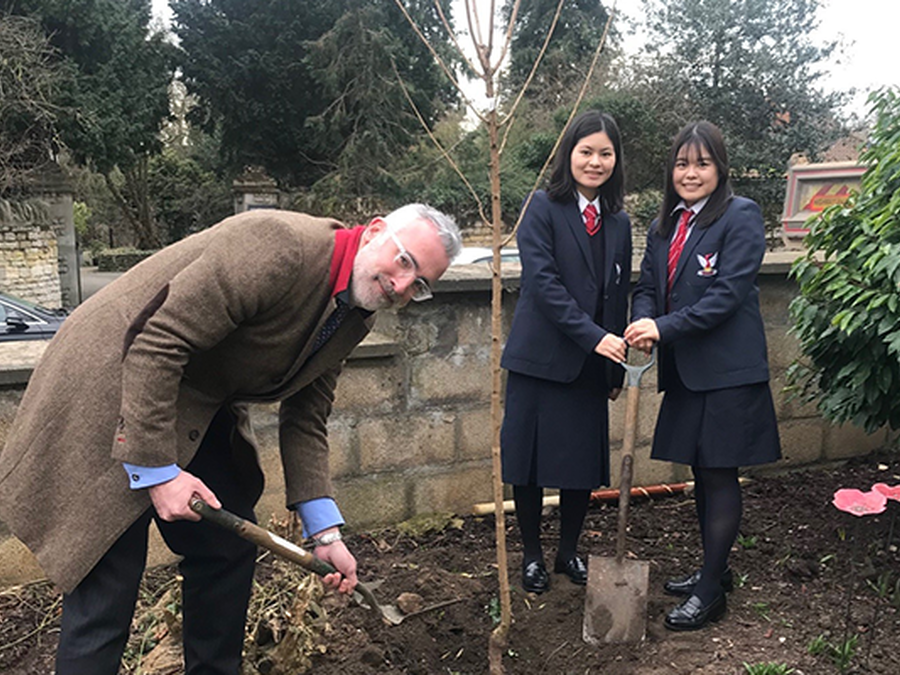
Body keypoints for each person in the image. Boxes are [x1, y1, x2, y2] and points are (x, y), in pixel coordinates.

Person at [0, 203, 461, 674]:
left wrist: (325, 533)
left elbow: (306, 415)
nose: (402, 285)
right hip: (114, 381)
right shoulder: (279, 247)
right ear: (375, 231)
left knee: (226, 550)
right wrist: (159, 472)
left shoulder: (356, 313)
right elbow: (158, 340)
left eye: (420, 284)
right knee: (108, 583)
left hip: (194, 398)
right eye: (405, 261)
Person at [624, 121, 781, 631]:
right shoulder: (665, 225)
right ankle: (715, 568)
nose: (690, 174)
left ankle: (711, 590)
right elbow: (648, 287)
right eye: (681, 164)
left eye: (702, 163)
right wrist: (643, 322)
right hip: (687, 372)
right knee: (700, 471)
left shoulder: (740, 215)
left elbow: (726, 296)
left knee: (719, 473)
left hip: (728, 371)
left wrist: (663, 327)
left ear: (720, 168)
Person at [500, 110, 632, 594]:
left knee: (579, 468)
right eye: (586, 152)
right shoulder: (541, 207)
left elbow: (616, 295)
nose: (595, 162)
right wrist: (593, 336)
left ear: (616, 161)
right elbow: (544, 284)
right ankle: (532, 555)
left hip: (592, 366)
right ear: (568, 155)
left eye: (605, 154)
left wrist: (614, 369)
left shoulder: (619, 222)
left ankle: (568, 552)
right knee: (530, 466)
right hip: (540, 360)